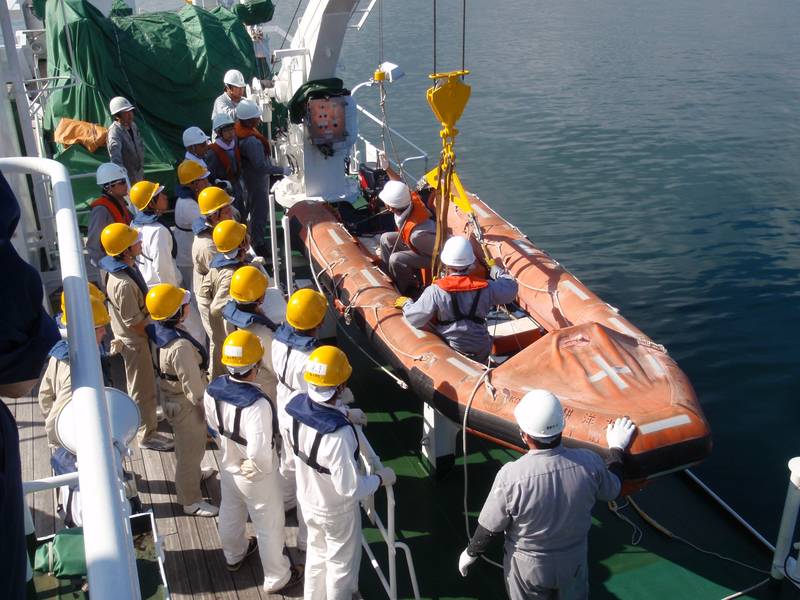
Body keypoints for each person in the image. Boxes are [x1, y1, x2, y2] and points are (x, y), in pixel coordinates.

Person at [458, 389, 637, 599]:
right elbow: (613, 489)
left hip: (528, 567)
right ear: (562, 427)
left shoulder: (511, 476)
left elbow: (490, 526)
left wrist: (471, 552)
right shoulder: (590, 462)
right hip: (574, 559)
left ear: (524, 435)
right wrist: (617, 448)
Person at [286, 346, 393, 600]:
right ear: (341, 386)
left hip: (308, 500)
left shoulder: (292, 407)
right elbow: (350, 488)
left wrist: (345, 413)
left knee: (316, 555)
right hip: (336, 512)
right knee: (340, 567)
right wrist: (380, 478)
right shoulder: (340, 435)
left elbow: (318, 411)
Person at [204, 330, 302, 592]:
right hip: (256, 474)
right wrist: (258, 468)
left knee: (230, 510)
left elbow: (212, 426)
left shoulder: (212, 390)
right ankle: (277, 576)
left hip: (228, 464)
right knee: (269, 525)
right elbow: (259, 450)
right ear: (255, 366)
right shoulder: (257, 405)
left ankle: (233, 555)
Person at [145, 284, 218, 517]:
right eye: (184, 305)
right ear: (176, 313)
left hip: (171, 397)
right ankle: (191, 500)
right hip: (186, 405)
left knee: (186, 447)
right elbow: (192, 384)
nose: (188, 307)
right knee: (190, 452)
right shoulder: (181, 347)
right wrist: (205, 408)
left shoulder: (158, 332)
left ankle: (193, 476)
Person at [99, 222, 172, 451]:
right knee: (142, 389)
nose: (140, 243)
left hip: (137, 338)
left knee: (145, 386)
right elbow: (135, 322)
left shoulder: (120, 270)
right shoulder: (123, 284)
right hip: (136, 342)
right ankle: (146, 434)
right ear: (125, 251)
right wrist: (158, 336)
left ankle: (147, 418)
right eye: (135, 242)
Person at [399, 236, 518, 364]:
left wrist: (407, 304)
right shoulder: (486, 287)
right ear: (470, 263)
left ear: (446, 263)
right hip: (481, 347)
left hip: (450, 347)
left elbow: (415, 319)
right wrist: (495, 269)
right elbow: (511, 288)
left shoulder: (435, 290)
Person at [39, 292, 110, 447]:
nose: (105, 332)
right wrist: (65, 444)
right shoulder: (77, 372)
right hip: (81, 441)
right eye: (100, 328)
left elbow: (44, 395)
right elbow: (54, 420)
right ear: (85, 332)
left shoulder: (59, 353)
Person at [200, 219, 264, 379]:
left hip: (210, 309)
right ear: (241, 244)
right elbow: (216, 308)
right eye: (244, 236)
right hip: (222, 322)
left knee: (218, 349)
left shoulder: (221, 261)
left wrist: (251, 267)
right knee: (223, 353)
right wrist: (236, 312)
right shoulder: (230, 274)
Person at [236, 98, 290, 256]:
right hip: (256, 182)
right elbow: (260, 167)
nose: (259, 119)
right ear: (250, 120)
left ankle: (250, 238)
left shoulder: (242, 132)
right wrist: (281, 170)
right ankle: (258, 244)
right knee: (259, 212)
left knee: (250, 210)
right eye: (257, 117)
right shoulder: (252, 142)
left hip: (248, 179)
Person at [222, 265, 279, 400]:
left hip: (239, 377)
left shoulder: (229, 317)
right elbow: (274, 367)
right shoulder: (262, 332)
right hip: (264, 385)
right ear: (260, 298)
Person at [377, 177, 436, 296]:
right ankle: (389, 275)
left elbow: (437, 253)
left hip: (433, 256)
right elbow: (400, 185)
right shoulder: (408, 199)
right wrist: (387, 168)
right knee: (385, 238)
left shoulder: (417, 235)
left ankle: (410, 290)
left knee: (396, 259)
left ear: (391, 208)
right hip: (415, 243)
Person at [192, 186, 235, 344]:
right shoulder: (207, 246)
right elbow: (220, 278)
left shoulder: (217, 230)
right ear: (214, 215)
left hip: (214, 294)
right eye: (227, 211)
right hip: (211, 299)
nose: (231, 214)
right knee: (219, 342)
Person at [130, 180, 181, 288]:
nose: (165, 197)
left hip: (147, 286)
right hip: (162, 288)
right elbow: (163, 268)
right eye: (160, 194)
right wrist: (172, 292)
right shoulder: (158, 231)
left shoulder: (134, 224)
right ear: (151, 203)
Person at [87, 162, 132, 281]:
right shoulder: (101, 211)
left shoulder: (121, 204)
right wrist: (110, 268)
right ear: (109, 187)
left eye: (125, 181)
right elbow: (94, 246)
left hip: (126, 261)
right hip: (113, 269)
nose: (126, 185)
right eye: (122, 182)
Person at [174, 160, 211, 291]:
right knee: (195, 292)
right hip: (188, 259)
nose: (207, 182)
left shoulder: (189, 199)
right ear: (193, 183)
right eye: (203, 180)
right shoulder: (188, 204)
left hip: (188, 255)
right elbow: (208, 225)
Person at [205, 113, 246, 214]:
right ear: (218, 132)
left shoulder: (235, 145)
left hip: (238, 188)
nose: (231, 133)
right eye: (226, 130)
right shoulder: (213, 152)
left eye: (232, 129)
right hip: (224, 192)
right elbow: (210, 177)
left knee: (242, 216)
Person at [107, 96, 145, 184]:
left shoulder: (133, 126)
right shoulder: (114, 132)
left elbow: (140, 145)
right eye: (126, 113)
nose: (130, 115)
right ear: (117, 116)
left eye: (130, 111)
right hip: (127, 179)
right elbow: (115, 157)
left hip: (139, 174)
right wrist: (122, 179)